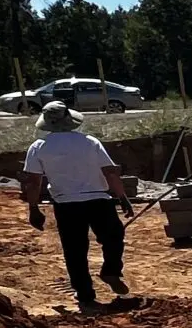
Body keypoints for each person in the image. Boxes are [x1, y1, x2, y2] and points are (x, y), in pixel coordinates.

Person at [20, 99, 134, 310]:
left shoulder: (39, 147)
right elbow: (110, 172)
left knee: (74, 250)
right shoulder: (90, 142)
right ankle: (111, 270)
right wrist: (123, 198)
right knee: (114, 237)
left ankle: (85, 294)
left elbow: (33, 182)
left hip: (67, 204)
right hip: (99, 200)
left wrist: (34, 209)